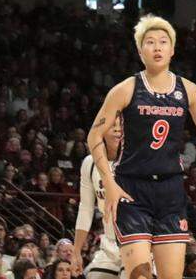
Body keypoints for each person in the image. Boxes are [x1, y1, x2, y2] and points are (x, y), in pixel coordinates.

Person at [87, 15, 196, 279]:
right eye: (150, 42)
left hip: (171, 190)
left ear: (172, 50)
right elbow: (94, 135)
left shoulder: (189, 90)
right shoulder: (126, 89)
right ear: (141, 52)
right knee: (139, 275)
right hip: (132, 189)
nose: (157, 47)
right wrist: (108, 179)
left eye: (163, 42)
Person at [72, 119, 123, 279]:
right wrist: (76, 251)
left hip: (137, 239)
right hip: (109, 243)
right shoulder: (90, 162)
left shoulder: (137, 159)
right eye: (112, 126)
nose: (117, 130)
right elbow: (86, 208)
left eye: (121, 126)